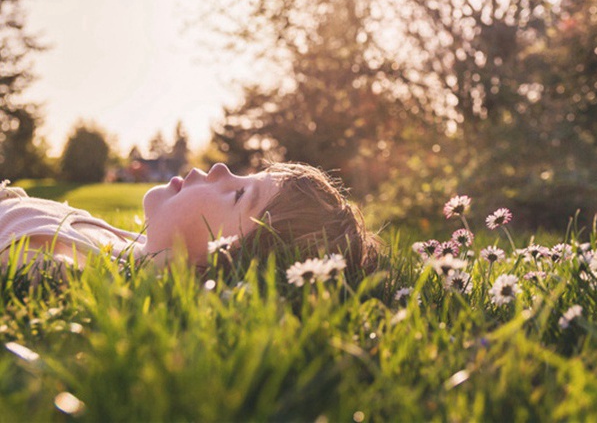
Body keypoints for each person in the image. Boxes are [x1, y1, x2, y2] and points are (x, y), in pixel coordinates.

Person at [0, 162, 378, 273]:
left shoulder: (78, 266)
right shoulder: (125, 247)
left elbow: (37, 270)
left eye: (238, 192)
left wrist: (160, 272)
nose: (218, 167)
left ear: (223, 257)